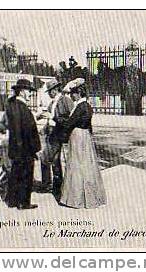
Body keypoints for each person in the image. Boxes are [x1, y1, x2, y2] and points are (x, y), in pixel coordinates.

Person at [60, 78, 107, 209]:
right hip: (85, 136)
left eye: (73, 93)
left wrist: (58, 120)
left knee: (76, 165)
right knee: (87, 165)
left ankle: (76, 199)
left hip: (78, 137)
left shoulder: (80, 107)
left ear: (79, 93)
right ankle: (90, 197)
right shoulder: (87, 106)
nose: (71, 95)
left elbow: (70, 123)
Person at [0, 79, 41, 210]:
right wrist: (34, 148)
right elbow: (26, 130)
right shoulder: (22, 108)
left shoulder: (12, 105)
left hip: (17, 147)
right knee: (26, 176)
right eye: (29, 91)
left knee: (15, 174)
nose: (30, 94)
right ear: (22, 91)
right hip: (24, 148)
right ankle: (24, 203)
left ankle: (12, 200)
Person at [37, 78, 74, 197]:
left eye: (50, 91)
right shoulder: (52, 103)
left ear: (55, 89)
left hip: (59, 134)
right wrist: (44, 128)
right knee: (55, 161)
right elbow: (50, 119)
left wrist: (53, 118)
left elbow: (70, 118)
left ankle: (47, 184)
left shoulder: (65, 100)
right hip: (52, 133)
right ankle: (57, 187)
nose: (49, 94)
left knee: (44, 158)